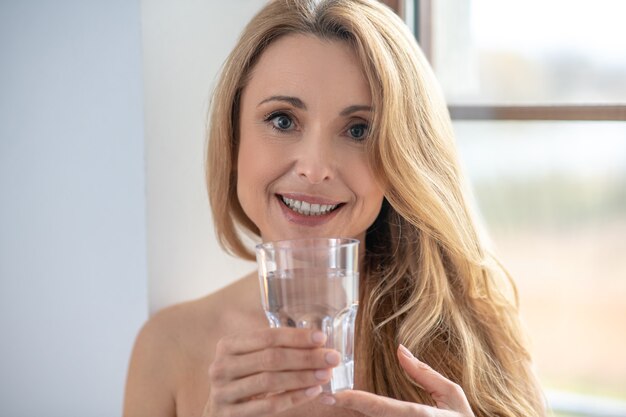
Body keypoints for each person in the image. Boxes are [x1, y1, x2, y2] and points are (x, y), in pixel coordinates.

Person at [123, 0, 546, 416]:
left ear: (402, 160)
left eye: (358, 129)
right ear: (233, 138)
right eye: (283, 120)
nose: (315, 168)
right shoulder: (168, 347)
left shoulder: (478, 335)